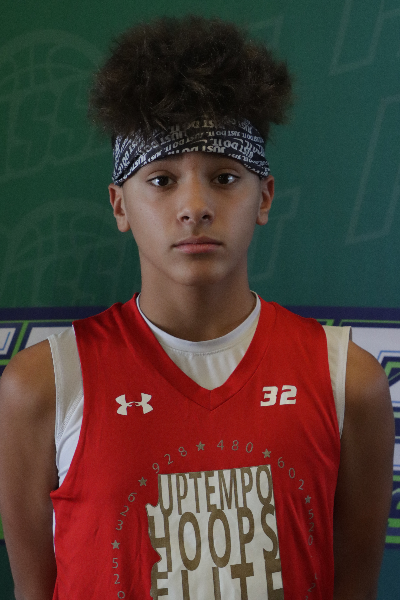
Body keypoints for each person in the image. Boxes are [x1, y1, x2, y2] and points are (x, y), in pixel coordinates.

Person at [0, 14, 394, 600]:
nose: (194, 206)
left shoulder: (348, 381)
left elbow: (354, 585)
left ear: (264, 196)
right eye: (161, 180)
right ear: (119, 205)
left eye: (225, 177)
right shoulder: (41, 387)